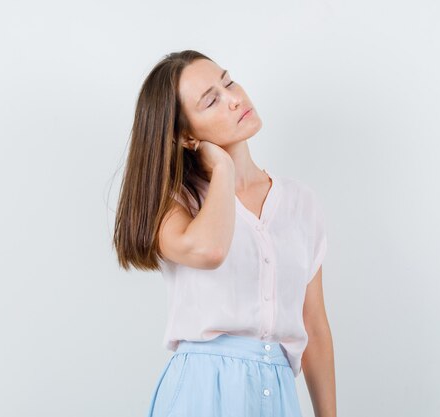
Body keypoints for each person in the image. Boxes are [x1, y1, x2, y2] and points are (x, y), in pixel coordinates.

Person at [113, 50, 336, 417]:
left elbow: (315, 326)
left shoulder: (301, 203)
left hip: (279, 393)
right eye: (211, 100)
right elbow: (210, 250)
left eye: (229, 82)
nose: (234, 99)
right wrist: (222, 168)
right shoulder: (175, 204)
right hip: (203, 391)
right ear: (187, 137)